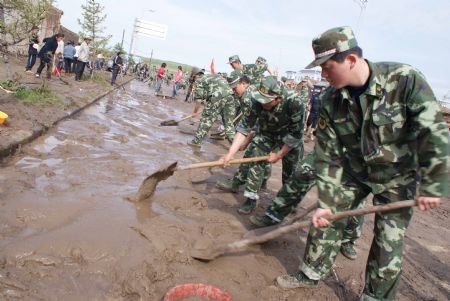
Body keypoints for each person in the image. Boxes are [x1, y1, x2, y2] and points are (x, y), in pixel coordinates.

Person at [275, 26, 448, 301]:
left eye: (327, 67)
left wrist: (434, 183)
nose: (322, 74)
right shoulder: (330, 100)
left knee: (388, 241)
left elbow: (434, 132)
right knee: (326, 219)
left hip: (398, 176)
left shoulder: (404, 80)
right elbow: (328, 155)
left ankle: (375, 297)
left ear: (351, 60)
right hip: (354, 171)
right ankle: (310, 273)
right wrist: (327, 202)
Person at [220, 76, 307, 214]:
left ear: (278, 98)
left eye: (266, 102)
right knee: (255, 162)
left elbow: (296, 134)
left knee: (290, 173)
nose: (262, 103)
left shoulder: (295, 101)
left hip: (290, 138)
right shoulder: (256, 99)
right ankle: (251, 199)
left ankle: (288, 202)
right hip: (267, 134)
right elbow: (244, 127)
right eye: (260, 99)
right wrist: (230, 154)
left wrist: (279, 154)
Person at [188, 69, 237, 147]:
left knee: (207, 119)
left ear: (196, 75)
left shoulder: (199, 81)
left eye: (193, 77)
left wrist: (194, 112)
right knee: (229, 122)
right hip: (230, 96)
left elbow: (198, 100)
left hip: (217, 97)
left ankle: (196, 142)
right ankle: (235, 144)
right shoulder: (213, 75)